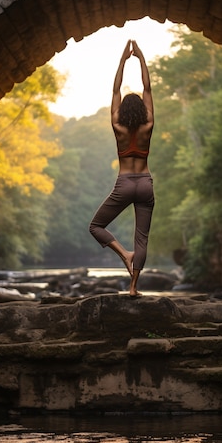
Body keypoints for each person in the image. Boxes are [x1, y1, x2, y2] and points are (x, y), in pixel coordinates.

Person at [89, 39, 154, 297]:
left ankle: (124, 254)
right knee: (142, 238)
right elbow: (147, 87)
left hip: (125, 183)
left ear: (123, 112)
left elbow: (115, 91)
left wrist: (122, 61)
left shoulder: (118, 127)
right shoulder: (148, 124)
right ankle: (134, 287)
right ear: (142, 110)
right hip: (145, 183)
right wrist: (141, 58)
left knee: (96, 226)